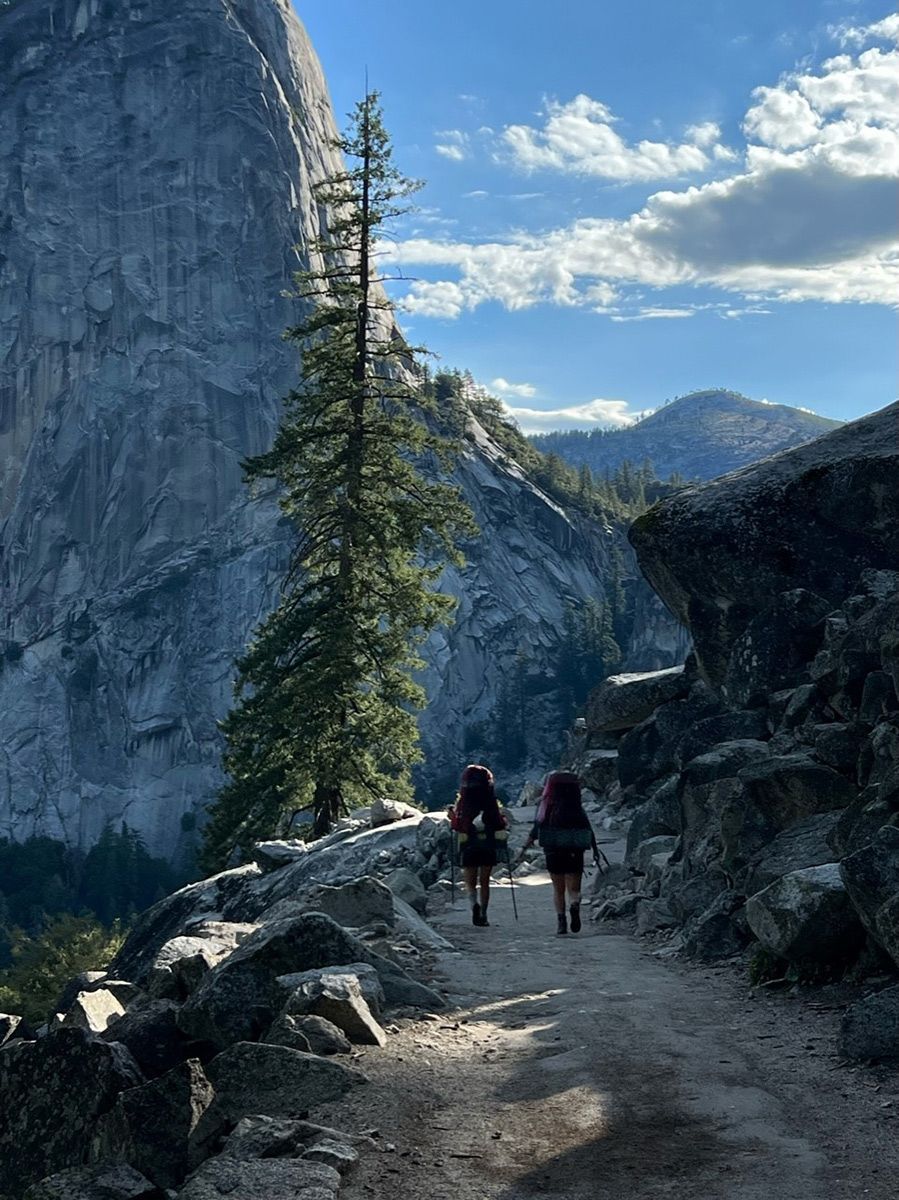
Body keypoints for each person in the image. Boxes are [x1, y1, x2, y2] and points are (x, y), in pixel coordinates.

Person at [523, 771, 597, 936]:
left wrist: (525, 846)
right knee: (574, 887)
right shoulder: (577, 808)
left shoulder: (546, 808)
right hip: (574, 850)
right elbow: (588, 830)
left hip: (553, 850)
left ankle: (561, 922)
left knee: (558, 889)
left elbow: (537, 828)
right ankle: (575, 905)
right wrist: (594, 848)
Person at [447, 764, 508, 927]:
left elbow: (458, 825)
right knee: (485, 880)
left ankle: (474, 904)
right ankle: (484, 914)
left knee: (470, 879)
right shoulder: (490, 801)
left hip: (469, 844)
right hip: (488, 843)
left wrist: (452, 816)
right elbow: (499, 823)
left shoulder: (464, 803)